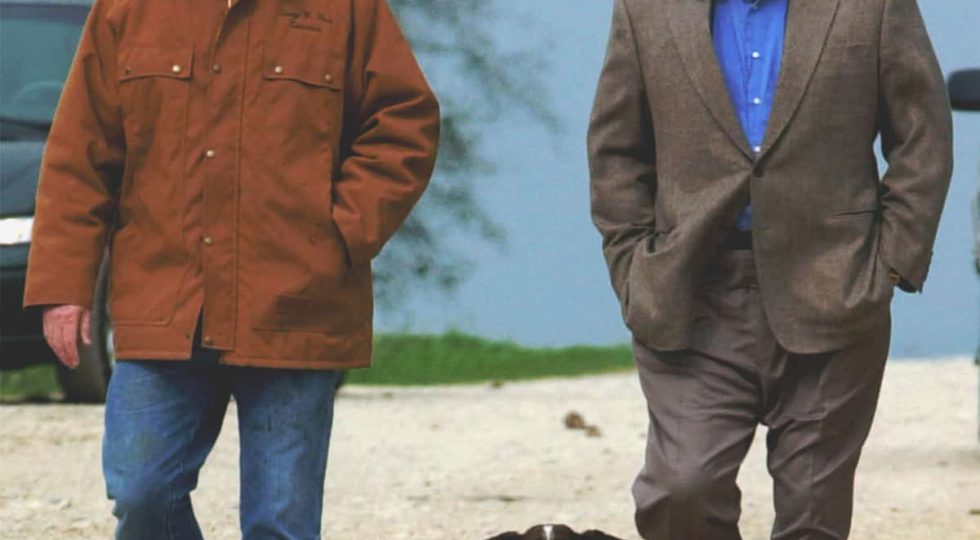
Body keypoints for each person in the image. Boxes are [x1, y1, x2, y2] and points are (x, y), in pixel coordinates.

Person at [23, 0, 439, 538]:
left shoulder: (346, 7)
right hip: (163, 303)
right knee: (141, 491)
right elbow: (80, 151)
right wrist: (64, 284)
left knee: (281, 520)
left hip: (295, 307)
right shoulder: (127, 8)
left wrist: (339, 235)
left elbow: (405, 123)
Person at [588, 0, 952, 538]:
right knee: (680, 489)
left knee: (812, 511)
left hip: (835, 285)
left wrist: (891, 262)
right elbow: (615, 150)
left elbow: (922, 136)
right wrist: (634, 265)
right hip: (693, 290)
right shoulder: (645, 8)